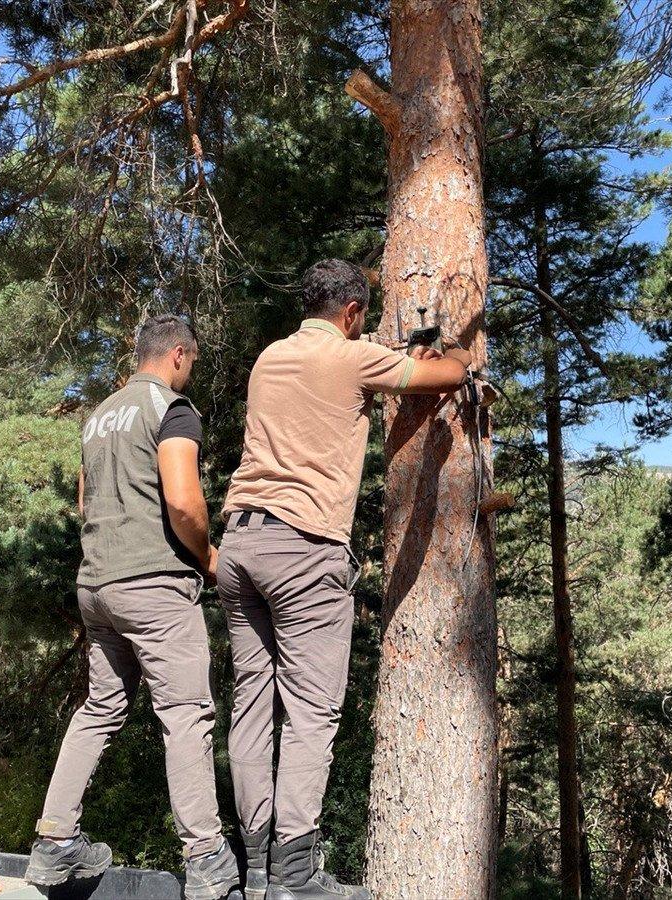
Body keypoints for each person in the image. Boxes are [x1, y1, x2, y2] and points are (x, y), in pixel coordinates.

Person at [217, 260, 472, 900]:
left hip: (240, 545)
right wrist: (460, 352)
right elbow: (441, 376)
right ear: (354, 312)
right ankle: (294, 877)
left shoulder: (270, 357)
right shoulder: (353, 358)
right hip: (303, 547)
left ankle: (254, 868)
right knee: (311, 712)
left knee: (252, 704)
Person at [26, 315, 239, 900]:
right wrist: (210, 560)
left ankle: (53, 842)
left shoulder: (98, 418)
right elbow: (183, 502)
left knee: (100, 707)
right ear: (176, 355)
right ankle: (206, 858)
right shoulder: (172, 410)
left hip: (95, 586)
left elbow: (84, 499)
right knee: (186, 715)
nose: (188, 374)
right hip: (155, 587)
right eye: (190, 364)